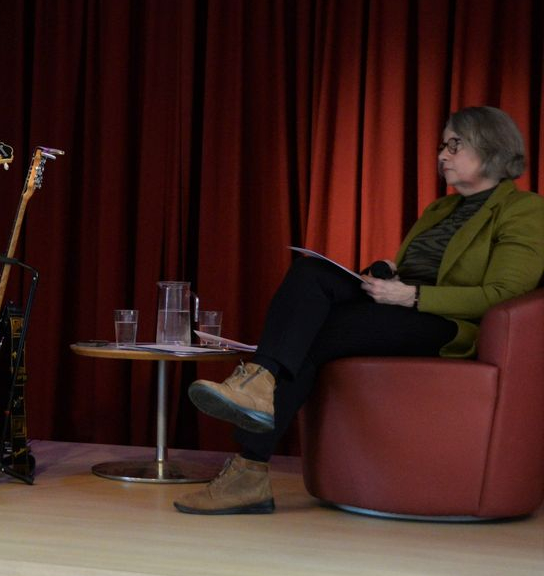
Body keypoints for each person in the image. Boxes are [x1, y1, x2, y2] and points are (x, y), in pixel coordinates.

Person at [175, 106, 544, 515]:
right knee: (310, 272)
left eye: (453, 144)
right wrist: (388, 273)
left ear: (491, 146)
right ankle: (259, 382)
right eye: (442, 144)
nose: (441, 154)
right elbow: (422, 268)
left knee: (318, 332)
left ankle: (249, 467)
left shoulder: (525, 210)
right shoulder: (439, 210)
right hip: (402, 305)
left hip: (446, 324)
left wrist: (413, 296)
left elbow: (504, 293)